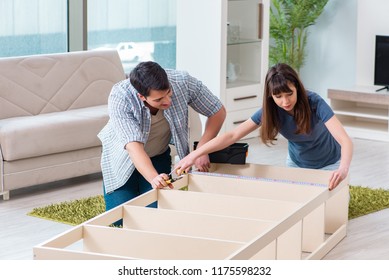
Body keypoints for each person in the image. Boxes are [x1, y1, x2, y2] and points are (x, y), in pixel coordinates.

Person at [174, 63, 353, 190]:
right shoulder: (270, 110)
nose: (285, 101)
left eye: (289, 94)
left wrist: (343, 168)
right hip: (297, 163)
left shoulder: (315, 103)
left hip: (330, 163)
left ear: (297, 87)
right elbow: (232, 135)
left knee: (330, 209)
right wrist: (194, 154)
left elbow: (344, 140)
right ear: (271, 96)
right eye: (278, 96)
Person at [98, 61, 226, 219]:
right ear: (141, 96)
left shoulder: (182, 81)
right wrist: (154, 178)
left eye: (169, 93)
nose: (167, 101)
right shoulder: (120, 96)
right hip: (122, 159)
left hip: (158, 154)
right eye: (159, 100)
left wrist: (201, 149)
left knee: (156, 215)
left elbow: (217, 111)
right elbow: (133, 147)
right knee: (118, 219)